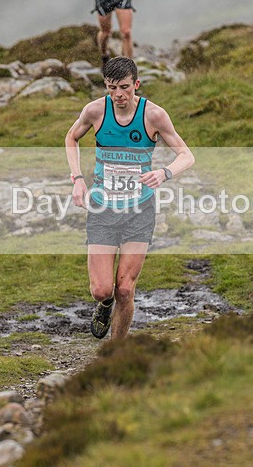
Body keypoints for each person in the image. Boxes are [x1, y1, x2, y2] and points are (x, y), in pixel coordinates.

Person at [65, 57, 195, 340]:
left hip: (140, 209)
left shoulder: (154, 115)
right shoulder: (96, 111)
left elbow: (187, 155)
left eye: (124, 87)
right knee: (102, 289)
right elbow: (71, 138)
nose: (118, 95)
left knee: (125, 288)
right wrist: (77, 179)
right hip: (103, 208)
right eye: (112, 88)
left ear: (136, 84)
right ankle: (104, 304)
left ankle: (116, 352)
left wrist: (164, 173)